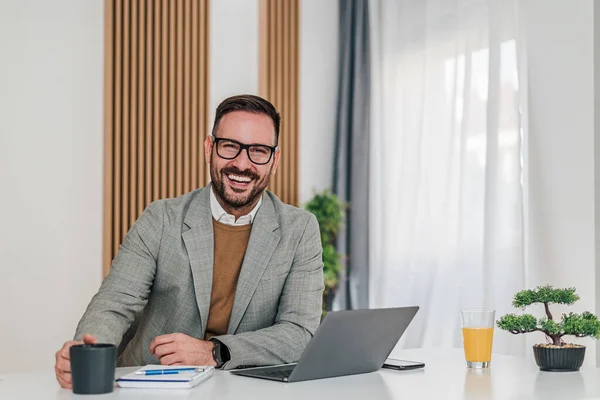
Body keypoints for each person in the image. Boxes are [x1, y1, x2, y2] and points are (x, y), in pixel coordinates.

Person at [54, 94, 324, 389]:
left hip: (245, 390)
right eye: (230, 146)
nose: (242, 164)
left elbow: (299, 333)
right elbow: (115, 302)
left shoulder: (300, 230)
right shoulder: (160, 218)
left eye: (258, 151)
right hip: (148, 386)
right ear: (209, 148)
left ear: (275, 160)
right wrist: (85, 350)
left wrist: (214, 351)